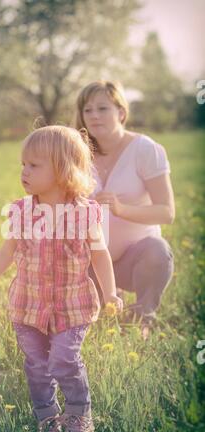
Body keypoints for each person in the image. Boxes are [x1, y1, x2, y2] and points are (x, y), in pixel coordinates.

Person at [0, 125, 123, 432]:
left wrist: (110, 293)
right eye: (23, 164)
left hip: (72, 305)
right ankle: (47, 417)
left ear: (63, 168)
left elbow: (100, 255)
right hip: (28, 306)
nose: (24, 171)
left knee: (64, 359)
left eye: (34, 165)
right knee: (37, 366)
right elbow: (6, 252)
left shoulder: (86, 213)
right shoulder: (20, 211)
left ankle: (78, 412)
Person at [74, 80, 175, 340]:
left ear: (121, 112)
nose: (94, 115)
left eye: (103, 108)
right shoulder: (78, 154)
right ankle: (105, 304)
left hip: (136, 259)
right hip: (92, 260)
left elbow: (166, 212)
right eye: (88, 110)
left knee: (158, 251)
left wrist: (121, 209)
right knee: (90, 323)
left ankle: (143, 317)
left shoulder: (145, 150)